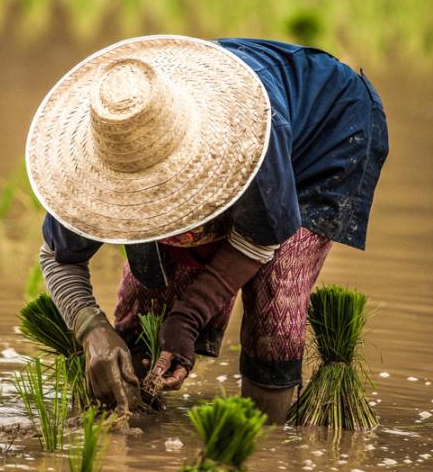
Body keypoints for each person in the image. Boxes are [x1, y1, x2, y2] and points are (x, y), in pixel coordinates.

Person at [26, 35, 388, 422]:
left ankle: (260, 441)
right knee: (149, 294)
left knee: (276, 297)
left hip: (325, 133)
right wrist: (91, 330)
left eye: (159, 186)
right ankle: (137, 415)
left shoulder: (248, 138)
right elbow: (57, 256)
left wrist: (189, 317)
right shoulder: (97, 157)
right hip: (224, 128)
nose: (149, 199)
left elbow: (263, 237)